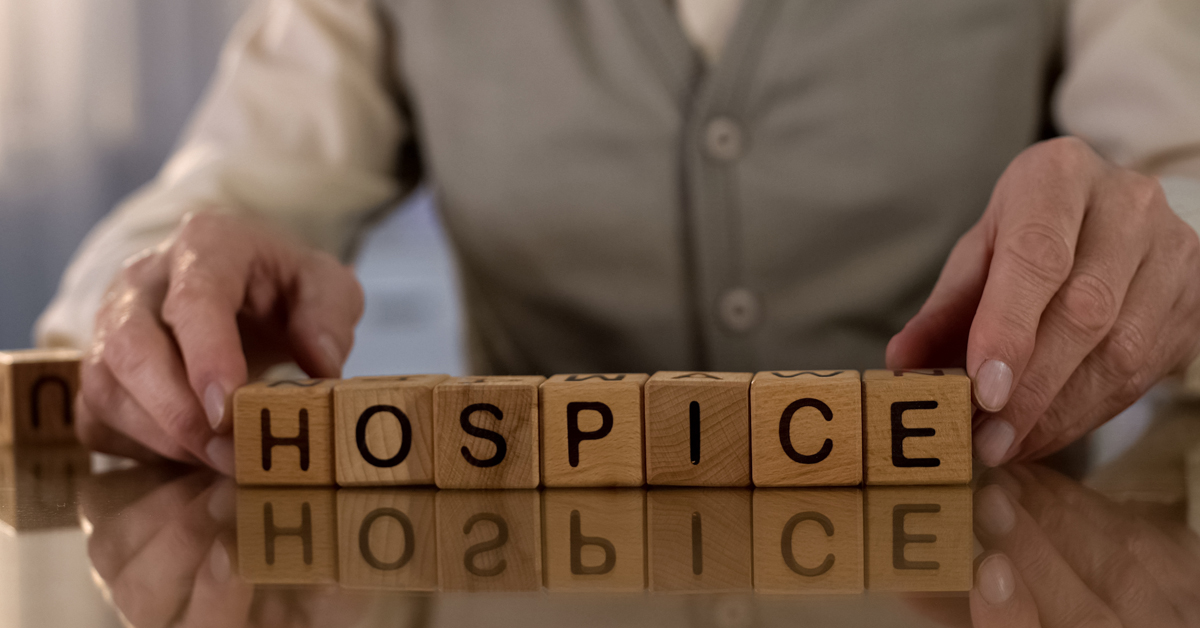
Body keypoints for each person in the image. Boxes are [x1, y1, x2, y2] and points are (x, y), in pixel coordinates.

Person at [36, 1, 1200, 480]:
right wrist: (149, 307)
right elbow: (203, 206)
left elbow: (1180, 196)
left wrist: (1162, 263)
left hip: (991, 573)